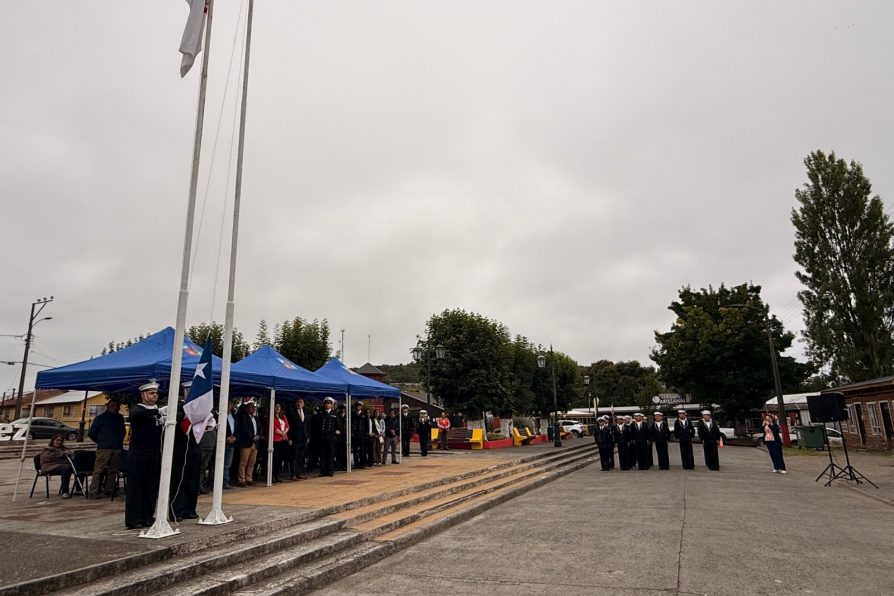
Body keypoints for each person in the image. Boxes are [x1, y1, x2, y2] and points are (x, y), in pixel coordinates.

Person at [126, 381, 164, 529]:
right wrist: (159, 412)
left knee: (151, 485)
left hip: (154, 452)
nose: (155, 395)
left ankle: (147, 516)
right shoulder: (139, 409)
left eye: (156, 393)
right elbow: (136, 415)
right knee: (137, 486)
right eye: (151, 393)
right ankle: (134, 518)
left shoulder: (155, 409)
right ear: (143, 395)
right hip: (139, 453)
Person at [170, 386, 201, 522]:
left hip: (194, 445)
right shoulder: (178, 406)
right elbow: (176, 421)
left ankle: (189, 509)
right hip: (181, 447)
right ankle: (176, 510)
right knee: (179, 479)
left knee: (192, 479)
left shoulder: (200, 407)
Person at [87, 397, 125, 499]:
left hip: (116, 447)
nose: (115, 408)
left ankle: (109, 489)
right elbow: (91, 433)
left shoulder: (120, 418)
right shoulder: (100, 418)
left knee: (113, 470)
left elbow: (122, 431)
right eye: (112, 406)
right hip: (104, 448)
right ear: (107, 406)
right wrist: (100, 441)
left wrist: (119, 442)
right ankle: (94, 491)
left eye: (117, 406)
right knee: (99, 470)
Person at [235, 401, 260, 487]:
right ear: (247, 409)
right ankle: (241, 479)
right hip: (246, 442)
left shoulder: (256, 418)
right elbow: (244, 429)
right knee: (243, 462)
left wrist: (258, 435)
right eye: (251, 407)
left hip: (255, 443)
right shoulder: (243, 418)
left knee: (252, 462)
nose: (253, 409)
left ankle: (249, 478)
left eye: (254, 407)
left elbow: (260, 428)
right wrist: (252, 436)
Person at [317, 396, 340, 476]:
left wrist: (335, 436)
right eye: (326, 403)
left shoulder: (335, 414)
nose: (327, 405)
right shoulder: (321, 413)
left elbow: (338, 426)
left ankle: (330, 470)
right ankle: (323, 471)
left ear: (332, 405)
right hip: (322, 437)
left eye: (329, 403)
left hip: (331, 437)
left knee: (331, 454)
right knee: (322, 454)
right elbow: (317, 426)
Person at [288, 398, 309, 480]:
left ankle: (300, 473)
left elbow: (308, 425)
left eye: (300, 402)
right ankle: (293, 474)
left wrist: (308, 436)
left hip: (304, 438)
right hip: (295, 438)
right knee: (294, 456)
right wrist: (289, 438)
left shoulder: (306, 412)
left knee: (301, 456)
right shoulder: (291, 413)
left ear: (303, 403)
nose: (299, 403)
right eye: (297, 402)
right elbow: (289, 426)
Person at [270, 402, 290, 483]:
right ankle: (272, 476)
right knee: (274, 459)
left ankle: (277, 475)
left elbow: (287, 426)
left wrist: (284, 432)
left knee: (279, 459)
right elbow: (273, 427)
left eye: (279, 406)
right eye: (276, 406)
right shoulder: (271, 417)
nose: (278, 408)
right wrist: (281, 433)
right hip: (275, 440)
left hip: (283, 439)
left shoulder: (283, 416)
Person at [223, 402, 237, 489]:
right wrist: (226, 438)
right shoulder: (220, 416)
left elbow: (237, 428)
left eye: (230, 404)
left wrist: (235, 437)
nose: (228, 406)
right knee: (221, 462)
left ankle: (226, 481)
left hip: (232, 442)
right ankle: (220, 481)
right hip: (223, 442)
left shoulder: (234, 417)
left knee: (228, 463)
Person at [351, 402, 368, 470]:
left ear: (361, 407)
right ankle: (356, 463)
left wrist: (366, 434)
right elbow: (351, 424)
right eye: (357, 406)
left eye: (359, 406)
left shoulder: (364, 415)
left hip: (362, 435)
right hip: (355, 435)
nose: (358, 407)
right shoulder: (352, 414)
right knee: (355, 450)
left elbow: (367, 425)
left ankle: (362, 463)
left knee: (362, 450)